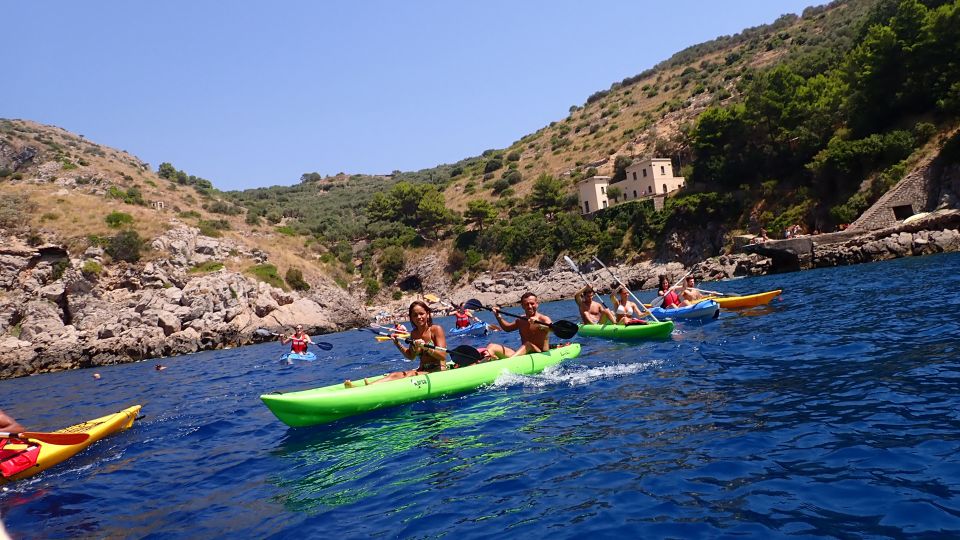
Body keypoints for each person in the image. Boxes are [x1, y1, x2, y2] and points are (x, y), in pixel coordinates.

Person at [345, 301, 447, 387]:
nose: (418, 317)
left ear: (427, 314)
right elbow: (411, 356)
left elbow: (442, 355)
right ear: (411, 318)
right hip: (422, 369)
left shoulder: (435, 329)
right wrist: (397, 343)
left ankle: (368, 389)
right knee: (394, 375)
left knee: (409, 374)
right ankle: (368, 387)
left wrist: (425, 347)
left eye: (421, 314)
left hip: (437, 370)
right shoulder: (414, 333)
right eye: (415, 315)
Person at [485, 292, 552, 359]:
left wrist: (539, 325)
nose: (530, 306)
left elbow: (552, 329)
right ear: (522, 306)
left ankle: (509, 362)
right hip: (525, 354)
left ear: (537, 304)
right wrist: (498, 316)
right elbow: (507, 328)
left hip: (540, 353)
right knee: (492, 346)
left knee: (528, 345)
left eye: (532, 303)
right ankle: (483, 362)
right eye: (526, 304)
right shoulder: (521, 320)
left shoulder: (544, 319)